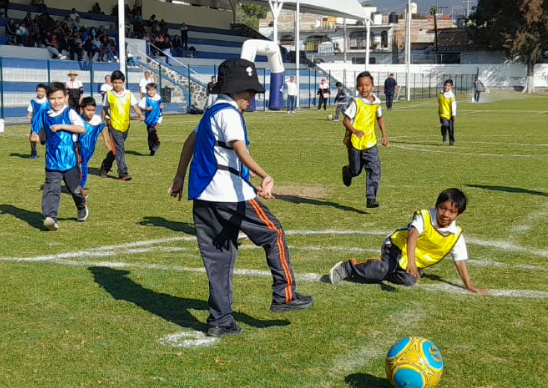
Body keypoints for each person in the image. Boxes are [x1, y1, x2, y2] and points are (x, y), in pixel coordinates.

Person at [168, 58, 314, 338]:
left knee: (219, 259)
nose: (252, 97)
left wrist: (179, 177)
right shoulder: (230, 113)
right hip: (229, 194)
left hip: (204, 196)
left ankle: (220, 321)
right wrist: (264, 175)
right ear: (234, 89)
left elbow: (190, 142)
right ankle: (285, 295)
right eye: (249, 92)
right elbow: (239, 149)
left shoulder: (211, 111)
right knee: (274, 234)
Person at [328, 188, 487, 293]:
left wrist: (469, 285)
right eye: (442, 208)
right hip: (397, 246)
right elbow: (412, 236)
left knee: (408, 281)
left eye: (452, 212)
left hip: (411, 260)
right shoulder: (425, 216)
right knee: (383, 268)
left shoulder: (456, 235)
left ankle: (388, 272)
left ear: (459, 215)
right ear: (436, 206)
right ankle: (348, 268)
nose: (445, 214)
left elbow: (460, 261)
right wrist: (411, 262)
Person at [41, 82, 88, 230]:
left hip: (70, 160)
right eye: (53, 98)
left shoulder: (70, 113)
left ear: (66, 97)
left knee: (74, 189)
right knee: (51, 189)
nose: (57, 101)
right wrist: (38, 137)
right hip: (52, 160)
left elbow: (81, 129)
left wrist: (62, 126)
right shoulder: (45, 114)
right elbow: (43, 130)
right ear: (48, 98)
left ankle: (81, 206)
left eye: (60, 98)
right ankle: (51, 217)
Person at [342, 71, 389, 209]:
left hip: (370, 143)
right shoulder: (355, 103)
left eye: (367, 85)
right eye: (361, 85)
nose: (364, 88)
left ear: (372, 86)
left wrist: (384, 136)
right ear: (357, 87)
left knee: (374, 168)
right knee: (356, 170)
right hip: (355, 142)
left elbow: (380, 118)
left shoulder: (376, 103)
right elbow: (346, 121)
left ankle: (371, 198)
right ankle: (347, 172)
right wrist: (355, 131)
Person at [99, 70, 145, 182]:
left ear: (123, 82)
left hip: (125, 125)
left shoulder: (129, 94)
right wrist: (101, 121)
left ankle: (105, 166)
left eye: (119, 82)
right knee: (120, 148)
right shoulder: (109, 94)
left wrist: (140, 115)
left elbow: (134, 106)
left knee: (117, 149)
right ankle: (122, 172)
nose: (117, 85)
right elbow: (105, 109)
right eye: (115, 82)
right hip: (114, 125)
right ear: (111, 83)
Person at [77, 96, 112, 194]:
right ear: (82, 109)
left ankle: (72, 182)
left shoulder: (97, 119)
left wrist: (106, 141)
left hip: (90, 149)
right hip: (79, 148)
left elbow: (103, 128)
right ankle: (80, 187)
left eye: (93, 110)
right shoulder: (78, 120)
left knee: (79, 166)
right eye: (88, 110)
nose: (91, 112)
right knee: (83, 166)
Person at [26, 83, 49, 160]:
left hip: (45, 123)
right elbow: (30, 112)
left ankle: (48, 153)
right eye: (38, 91)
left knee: (45, 140)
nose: (40, 93)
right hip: (35, 123)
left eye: (42, 91)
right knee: (33, 139)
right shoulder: (33, 102)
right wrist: (29, 115)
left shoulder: (48, 102)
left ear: (45, 92)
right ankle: (33, 153)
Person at [141, 82, 163, 155]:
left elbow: (162, 104)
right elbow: (140, 108)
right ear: (147, 91)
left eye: (152, 90)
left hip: (157, 118)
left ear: (155, 90)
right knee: (150, 134)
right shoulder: (145, 99)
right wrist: (146, 109)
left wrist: (162, 106)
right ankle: (152, 149)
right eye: (149, 90)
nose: (151, 92)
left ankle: (157, 141)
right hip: (149, 120)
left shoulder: (158, 98)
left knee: (152, 130)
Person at [438, 79, 457, 145]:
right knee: (445, 125)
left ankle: (451, 141)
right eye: (445, 85)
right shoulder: (441, 93)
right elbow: (439, 103)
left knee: (451, 129)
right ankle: (444, 134)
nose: (446, 87)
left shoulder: (451, 95)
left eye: (448, 86)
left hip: (450, 114)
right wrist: (439, 112)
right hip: (443, 114)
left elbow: (453, 105)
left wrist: (454, 115)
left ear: (451, 87)